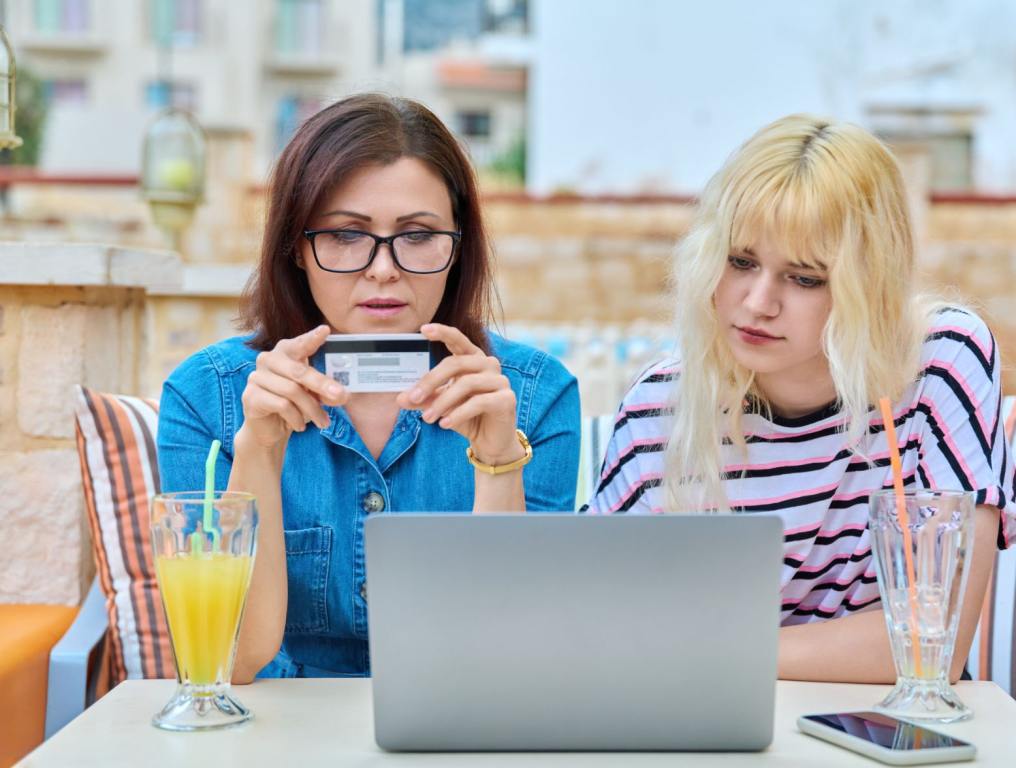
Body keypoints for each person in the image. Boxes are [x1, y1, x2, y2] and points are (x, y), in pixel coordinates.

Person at [157, 93, 580, 681]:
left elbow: (514, 656)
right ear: (297, 250)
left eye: (418, 235)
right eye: (345, 235)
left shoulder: (534, 395)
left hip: (457, 725)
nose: (383, 268)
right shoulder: (205, 396)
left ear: (459, 249)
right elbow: (231, 662)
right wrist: (257, 450)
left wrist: (498, 463)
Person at [582, 114, 1015, 683]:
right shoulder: (660, 409)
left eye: (805, 278)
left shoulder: (939, 361)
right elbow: (597, 628)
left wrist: (705, 650)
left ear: (872, 281)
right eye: (740, 262)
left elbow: (933, 644)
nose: (758, 302)